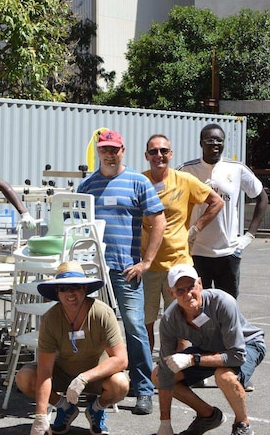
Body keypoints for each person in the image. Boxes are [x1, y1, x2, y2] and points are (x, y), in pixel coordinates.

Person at [76, 129, 165, 416]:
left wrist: (146, 262)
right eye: (104, 149)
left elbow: (159, 221)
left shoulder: (138, 182)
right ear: (98, 151)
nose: (109, 154)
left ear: (123, 150)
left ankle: (143, 390)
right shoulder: (87, 185)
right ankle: (92, 383)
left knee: (135, 328)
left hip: (125, 270)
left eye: (114, 149)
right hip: (91, 271)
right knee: (88, 327)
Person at [17, 262, 128, 435]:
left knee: (121, 384)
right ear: (57, 292)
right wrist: (40, 416)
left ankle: (97, 409)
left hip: (97, 374)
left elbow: (121, 359)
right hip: (61, 372)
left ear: (84, 288)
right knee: (24, 377)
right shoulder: (50, 318)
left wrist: (84, 378)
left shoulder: (102, 313)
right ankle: (65, 407)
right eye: (63, 288)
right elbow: (45, 370)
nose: (70, 293)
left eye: (75, 286)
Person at [154, 264, 266, 435]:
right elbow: (164, 372)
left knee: (224, 376)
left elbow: (236, 355)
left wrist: (193, 359)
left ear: (200, 284)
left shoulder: (223, 302)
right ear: (171, 293)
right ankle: (208, 415)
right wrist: (165, 424)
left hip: (246, 345)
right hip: (207, 349)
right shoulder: (169, 319)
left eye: (191, 287)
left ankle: (242, 425)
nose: (188, 294)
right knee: (159, 374)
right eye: (180, 291)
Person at [142, 134, 224, 351]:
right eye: (153, 151)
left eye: (163, 151)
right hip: (148, 266)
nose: (159, 155)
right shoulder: (140, 182)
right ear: (146, 156)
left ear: (171, 154)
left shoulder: (184, 180)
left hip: (178, 265)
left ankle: (186, 369)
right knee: (145, 323)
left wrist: (195, 228)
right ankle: (146, 374)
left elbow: (216, 202)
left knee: (185, 320)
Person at [179, 124, 269, 298]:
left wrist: (249, 236)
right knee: (198, 306)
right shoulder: (186, 170)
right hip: (196, 252)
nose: (215, 144)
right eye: (210, 140)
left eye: (219, 140)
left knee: (227, 307)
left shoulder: (236, 169)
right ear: (201, 143)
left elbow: (262, 198)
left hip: (228, 252)